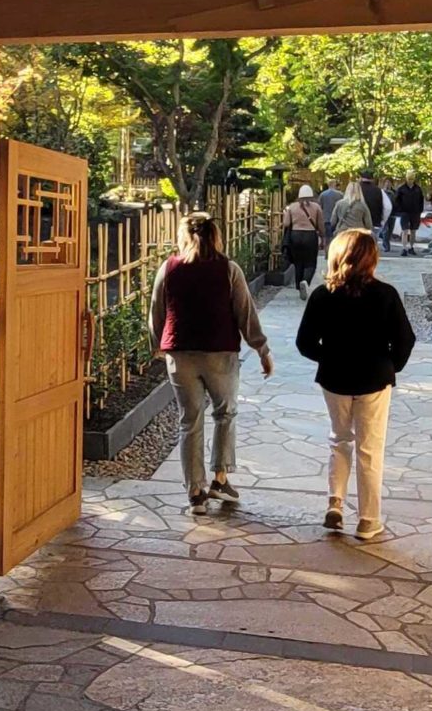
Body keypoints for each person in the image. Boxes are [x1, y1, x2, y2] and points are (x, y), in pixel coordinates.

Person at [295, 228, 417, 541]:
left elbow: (304, 342)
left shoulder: (323, 295)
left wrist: (328, 358)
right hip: (375, 378)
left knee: (339, 439)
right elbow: (405, 339)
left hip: (335, 378)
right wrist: (391, 366)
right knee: (369, 449)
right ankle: (368, 519)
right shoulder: (385, 294)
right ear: (371, 258)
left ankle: (335, 503)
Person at [149, 212, 274, 514]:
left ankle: (195, 493)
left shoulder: (169, 268)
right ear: (216, 235)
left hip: (180, 353)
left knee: (188, 422)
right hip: (220, 352)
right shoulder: (229, 269)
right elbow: (245, 312)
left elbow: (156, 309)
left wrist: (157, 346)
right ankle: (220, 478)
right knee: (225, 413)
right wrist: (262, 349)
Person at [281, 185, 324, 293]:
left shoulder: (292, 207)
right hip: (310, 236)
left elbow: (286, 223)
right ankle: (305, 281)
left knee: (298, 262)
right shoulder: (316, 207)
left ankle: (298, 285)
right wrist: (323, 238)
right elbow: (320, 226)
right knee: (310, 263)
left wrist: (286, 214)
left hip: (295, 235)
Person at [390, 177, 426, 255]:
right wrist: (400, 209)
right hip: (404, 212)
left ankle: (411, 247)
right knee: (405, 230)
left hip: (415, 213)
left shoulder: (418, 189)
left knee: (413, 231)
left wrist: (420, 210)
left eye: (412, 179)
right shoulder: (402, 189)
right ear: (406, 179)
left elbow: (421, 200)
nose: (410, 180)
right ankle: (404, 248)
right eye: (409, 179)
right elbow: (397, 200)